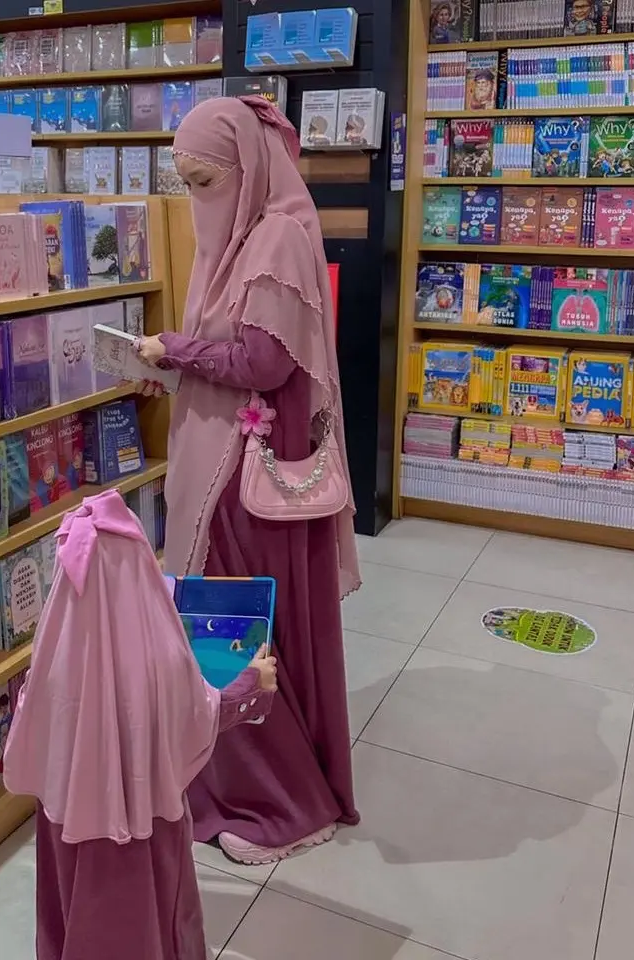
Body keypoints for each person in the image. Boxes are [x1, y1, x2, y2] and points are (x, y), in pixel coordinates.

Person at [135, 95, 362, 865]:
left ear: (247, 168)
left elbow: (263, 365)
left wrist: (175, 351)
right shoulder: (238, 238)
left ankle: (284, 802)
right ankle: (240, 779)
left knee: (236, 629)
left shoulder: (274, 238)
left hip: (245, 473)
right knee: (232, 627)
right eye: (186, 183)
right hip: (229, 462)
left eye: (205, 181)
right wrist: (172, 364)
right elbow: (231, 348)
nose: (198, 198)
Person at [2, 489, 277, 960]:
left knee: (71, 914)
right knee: (150, 920)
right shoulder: (162, 661)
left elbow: (27, 740)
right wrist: (252, 680)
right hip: (145, 830)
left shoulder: (51, 660)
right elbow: (198, 713)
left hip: (67, 829)